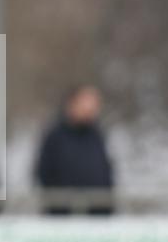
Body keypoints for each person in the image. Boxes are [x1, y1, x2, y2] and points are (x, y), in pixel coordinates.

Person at [34, 85, 114, 215]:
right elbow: (43, 173)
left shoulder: (97, 135)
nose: (91, 109)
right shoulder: (55, 136)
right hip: (62, 217)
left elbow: (106, 172)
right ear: (72, 104)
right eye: (86, 103)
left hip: (98, 217)